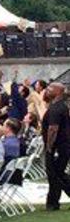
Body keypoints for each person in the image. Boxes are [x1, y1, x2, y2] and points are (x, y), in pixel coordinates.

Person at [41, 83, 70, 211]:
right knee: (57, 174)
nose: (46, 91)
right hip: (62, 146)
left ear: (58, 92)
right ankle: (52, 202)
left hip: (57, 147)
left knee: (55, 174)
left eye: (49, 89)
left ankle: (52, 203)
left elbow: (53, 129)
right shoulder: (61, 106)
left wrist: (49, 147)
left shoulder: (56, 108)